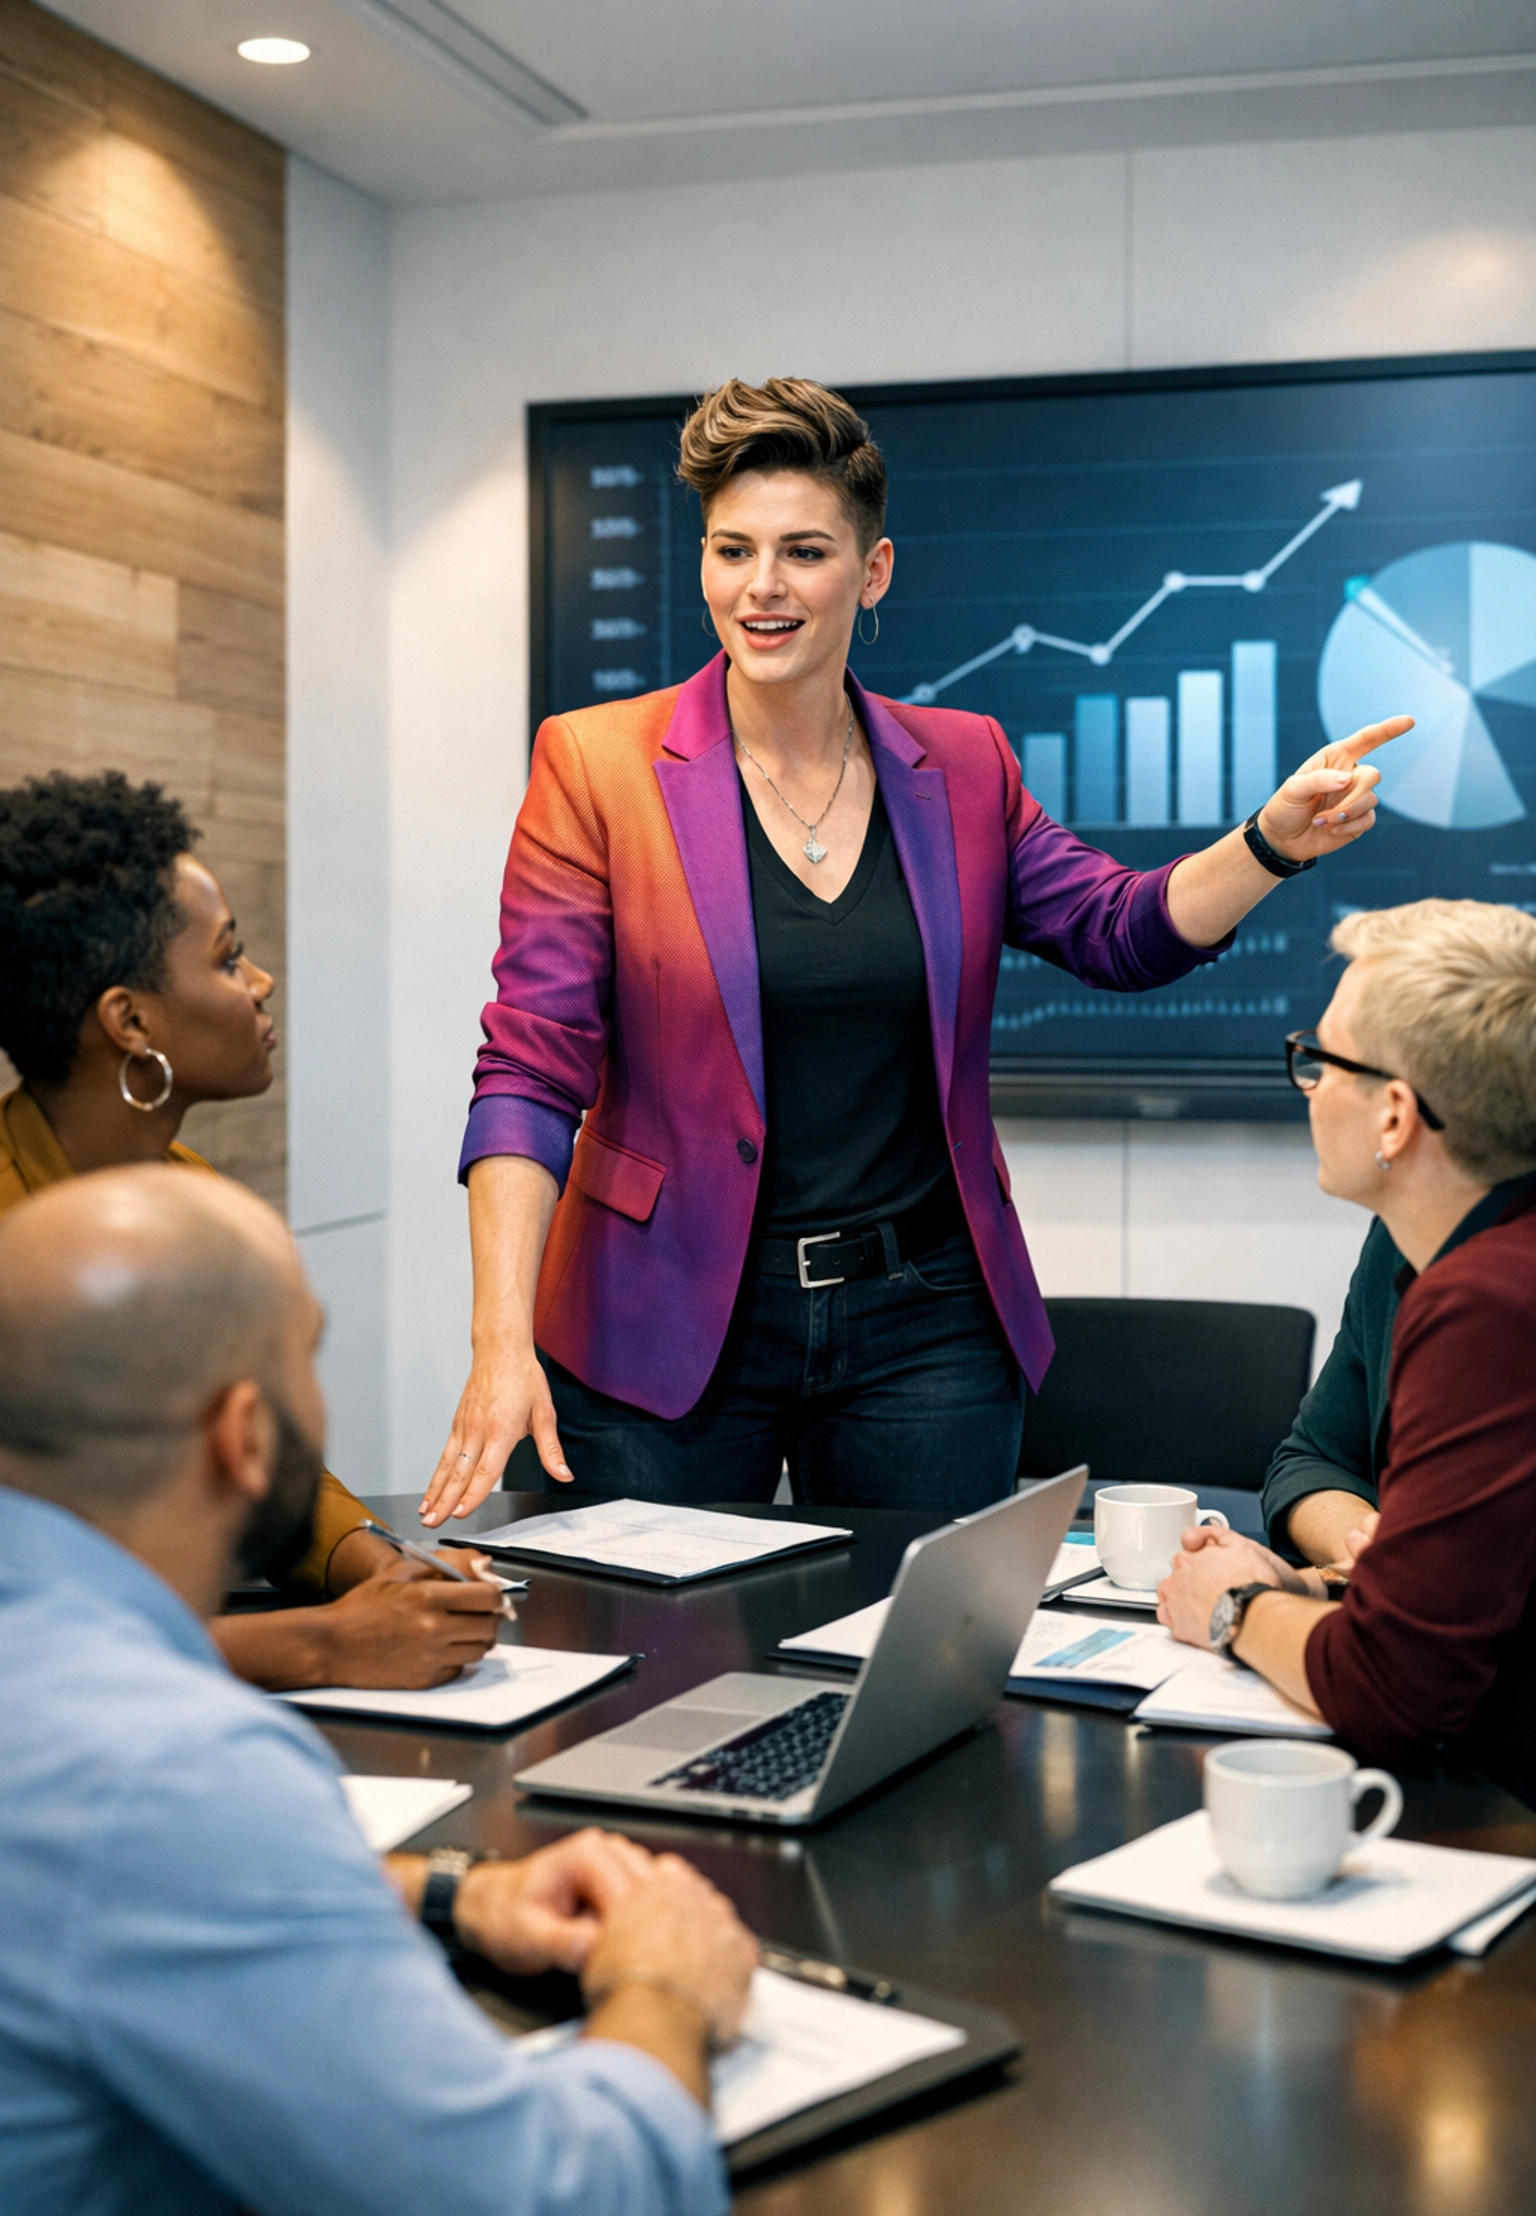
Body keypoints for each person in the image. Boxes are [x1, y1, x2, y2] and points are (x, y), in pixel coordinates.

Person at [423, 376, 1410, 1530]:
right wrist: (501, 1343)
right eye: (730, 550)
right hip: (661, 1320)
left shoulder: (965, 764)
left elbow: (1120, 930)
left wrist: (1269, 842)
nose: (762, 588)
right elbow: (528, 1072)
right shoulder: (594, 765)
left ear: (873, 570)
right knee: (655, 1669)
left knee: (919, 1674)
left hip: (922, 1326)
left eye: (803, 551)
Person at [0, 1164, 756, 2216]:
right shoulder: (176, 1776)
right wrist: (666, 1992)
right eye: (308, 1352)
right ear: (246, 1435)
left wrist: (444, 1892)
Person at [0, 768, 501, 1693]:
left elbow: (261, 1456)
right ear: (130, 1019)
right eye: (229, 958)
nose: (261, 982)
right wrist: (325, 1645)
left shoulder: (191, 1199)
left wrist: (388, 1571)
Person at [1157, 900, 1536, 1804]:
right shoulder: (1446, 1246)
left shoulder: (1486, 1300)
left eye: (1323, 1061)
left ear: (1396, 1117)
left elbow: (1394, 1690)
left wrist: (1236, 1608)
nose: (1312, 1084)